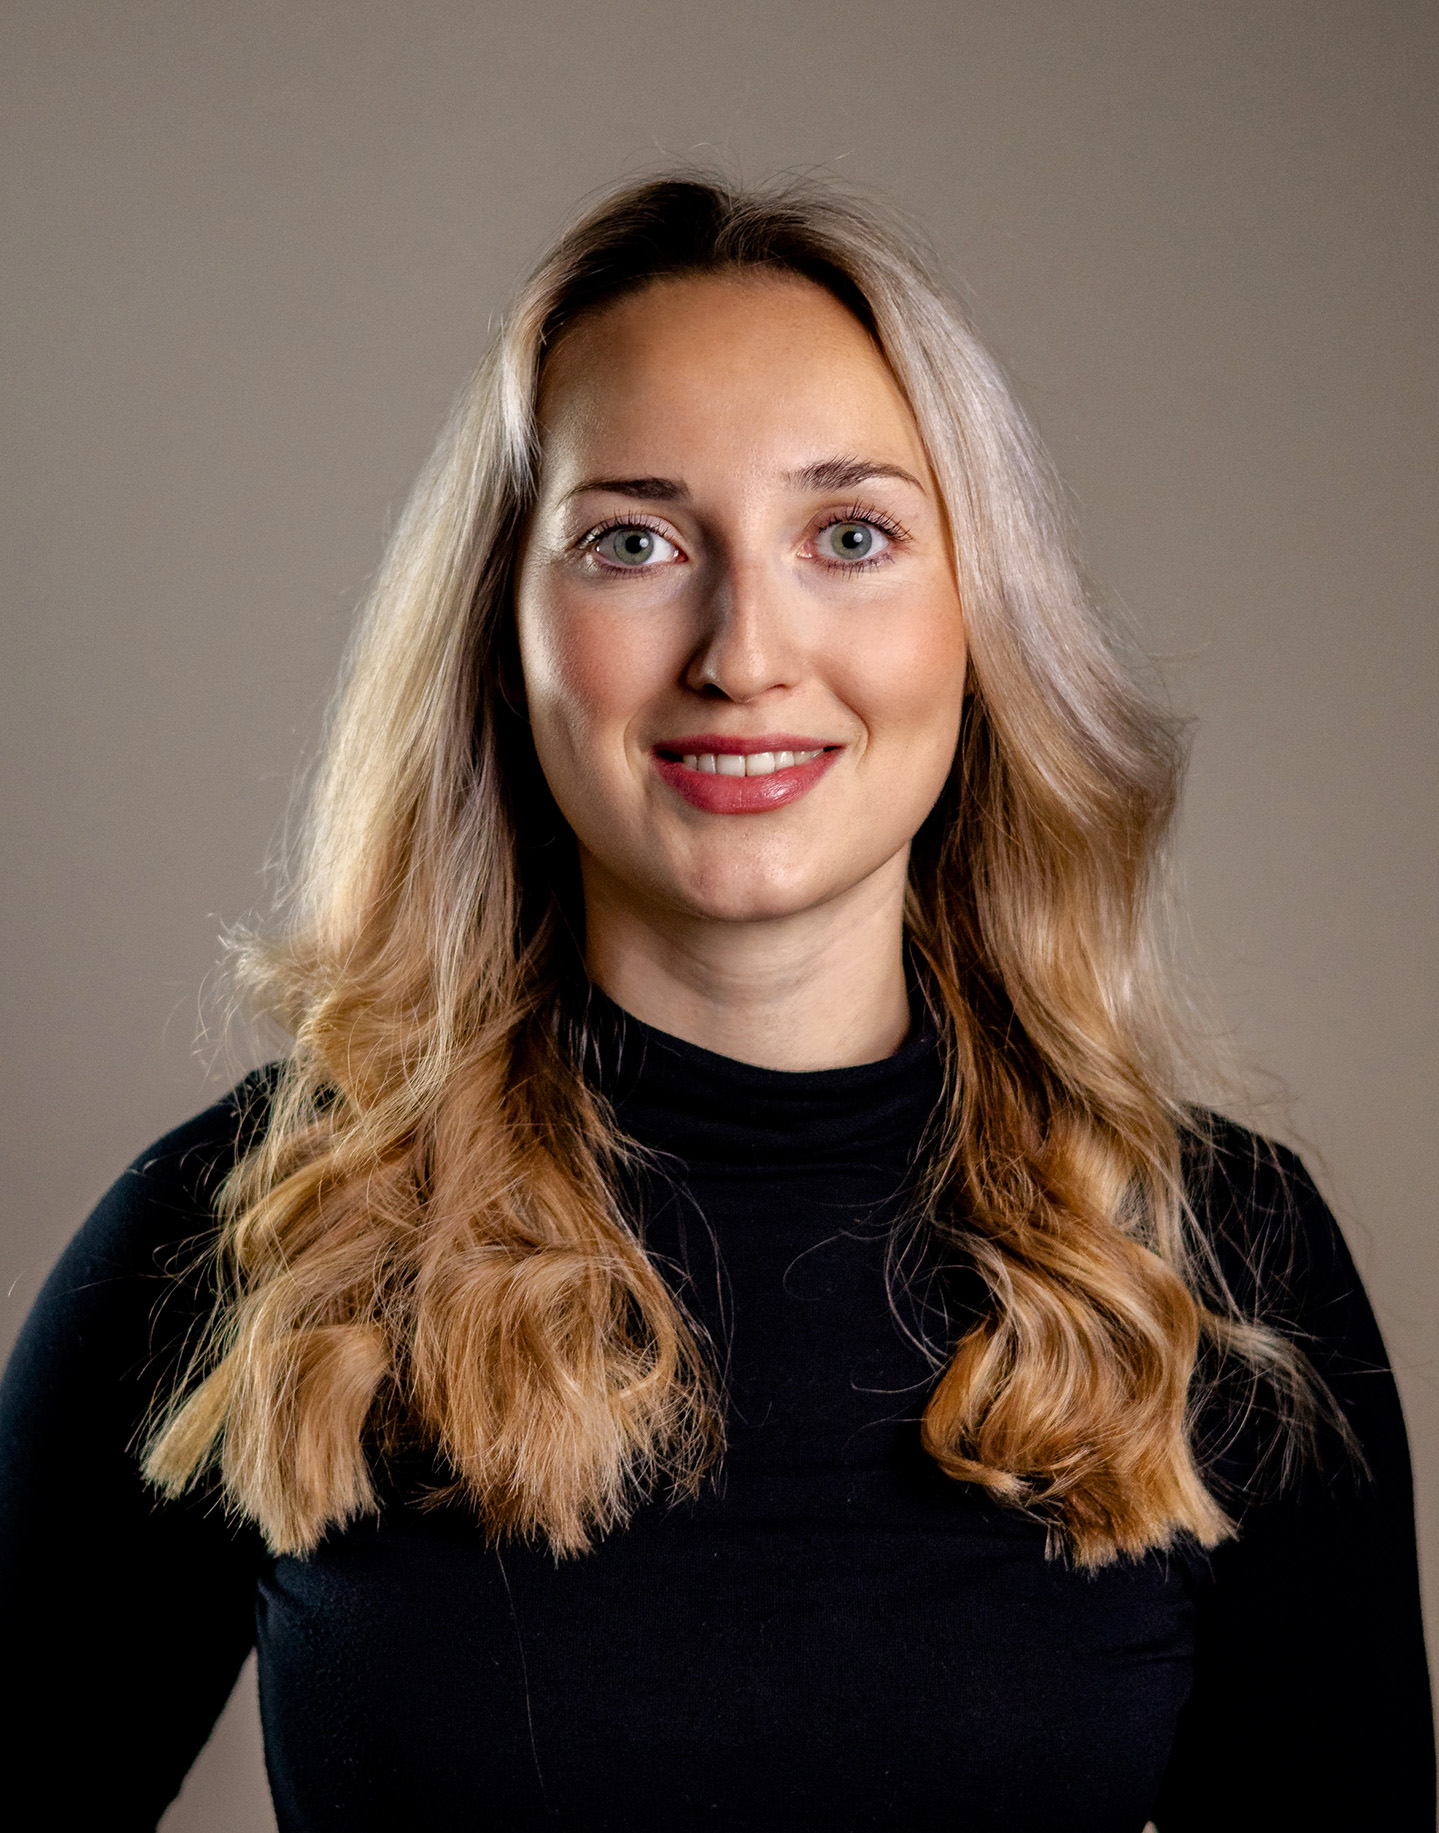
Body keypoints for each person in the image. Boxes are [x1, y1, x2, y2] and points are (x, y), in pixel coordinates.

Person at [1, 175, 1431, 1832]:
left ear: (981, 617)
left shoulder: (1219, 1261)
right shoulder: (255, 1236)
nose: (745, 652)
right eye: (635, 541)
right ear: (504, 628)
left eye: (851, 536)